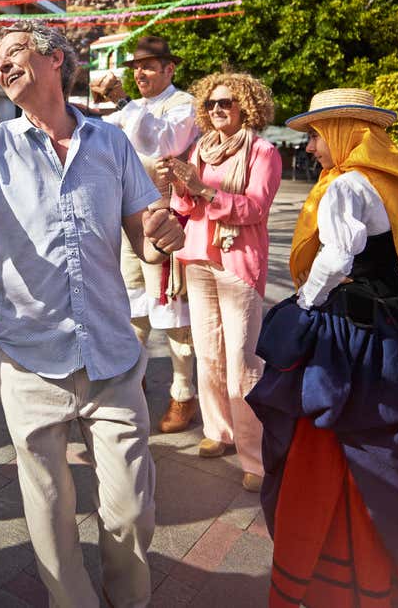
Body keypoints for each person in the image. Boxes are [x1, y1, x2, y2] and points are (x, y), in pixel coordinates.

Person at [0, 22, 186, 608]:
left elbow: (146, 239)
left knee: (131, 508)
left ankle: (128, 600)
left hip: (112, 355)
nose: (2, 65)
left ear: (55, 61)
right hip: (29, 359)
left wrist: (162, 235)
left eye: (15, 52)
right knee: (48, 509)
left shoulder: (111, 143)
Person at [247, 88, 398, 608]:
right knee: (395, 442)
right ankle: (397, 575)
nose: (310, 147)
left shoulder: (346, 185)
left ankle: (333, 572)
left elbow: (335, 259)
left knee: (332, 443)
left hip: (349, 336)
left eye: (315, 135)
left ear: (342, 132)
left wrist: (306, 304)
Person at [161, 71, 281, 493]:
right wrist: (180, 185)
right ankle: (218, 430)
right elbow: (184, 206)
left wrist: (204, 190)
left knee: (242, 361)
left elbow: (255, 208)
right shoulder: (200, 149)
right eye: (210, 103)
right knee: (208, 352)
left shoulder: (263, 151)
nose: (216, 109)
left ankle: (256, 455)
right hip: (198, 255)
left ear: (245, 106)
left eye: (225, 102)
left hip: (238, 261)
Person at [94, 35, 200, 434]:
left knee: (171, 307)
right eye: (137, 67)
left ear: (169, 69)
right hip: (127, 217)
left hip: (166, 217)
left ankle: (183, 393)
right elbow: (103, 138)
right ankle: (133, 382)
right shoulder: (131, 108)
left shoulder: (184, 104)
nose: (140, 73)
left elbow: (162, 142)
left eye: (149, 66)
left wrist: (120, 102)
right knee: (132, 304)